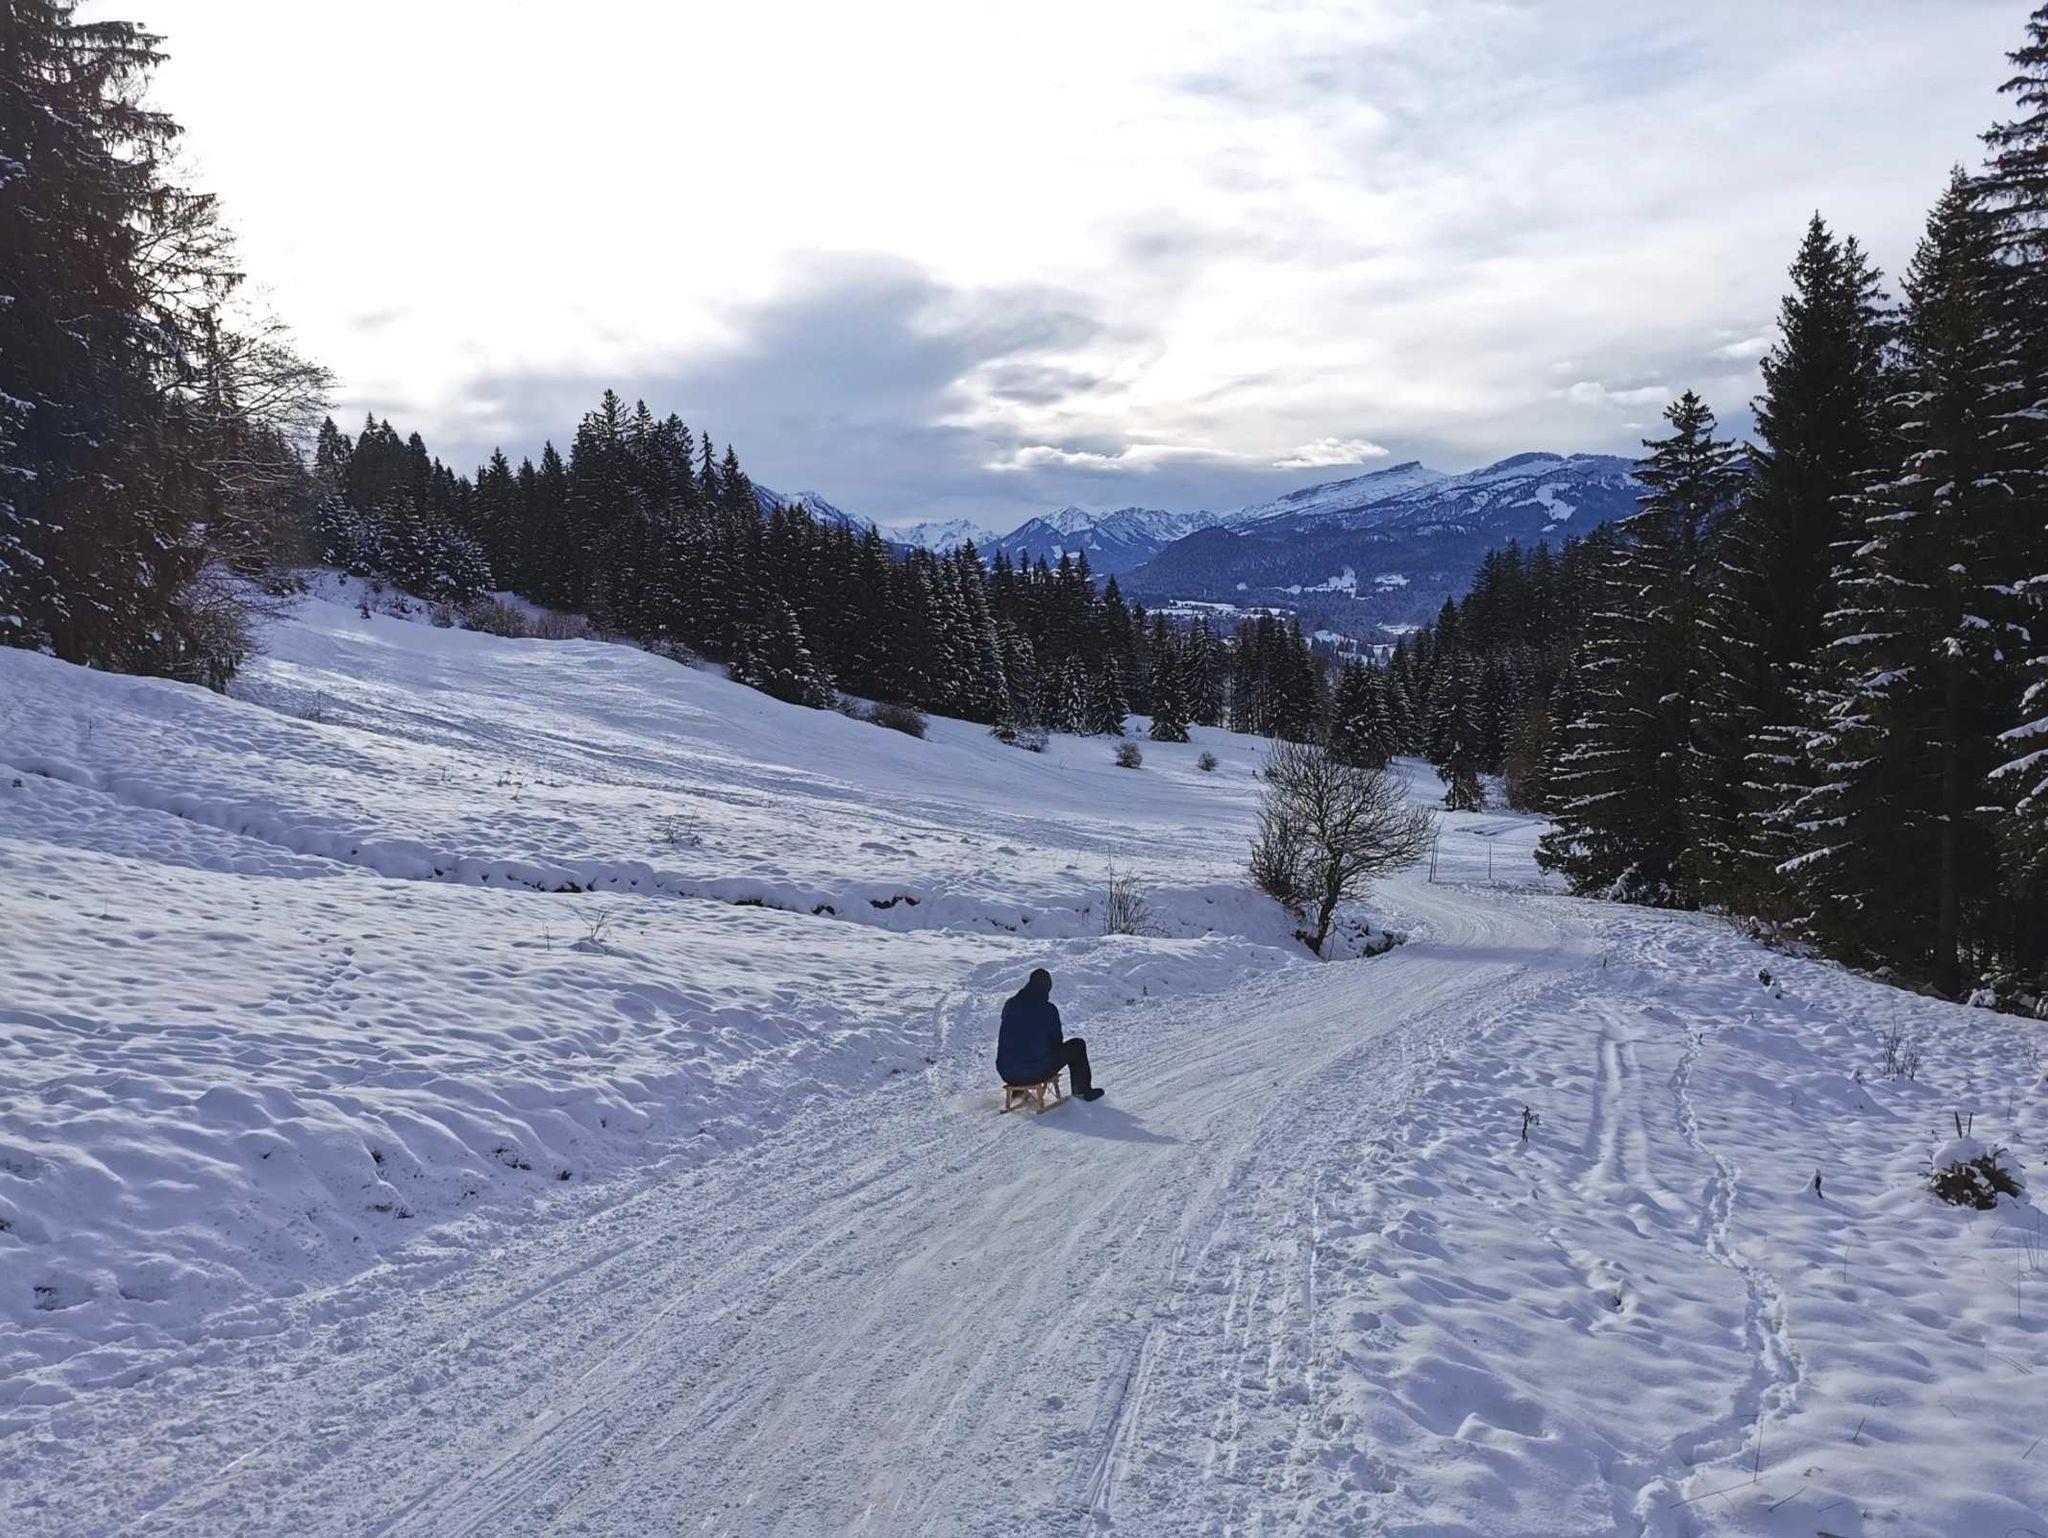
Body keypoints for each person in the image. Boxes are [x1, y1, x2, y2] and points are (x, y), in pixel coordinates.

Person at [996, 967, 1103, 1101]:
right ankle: (1082, 1091)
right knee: (1077, 1045)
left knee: (1020, 1046)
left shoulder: (1010, 1004)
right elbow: (1056, 1043)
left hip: (1007, 1073)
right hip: (1037, 1072)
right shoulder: (1048, 1010)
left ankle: (1018, 1090)